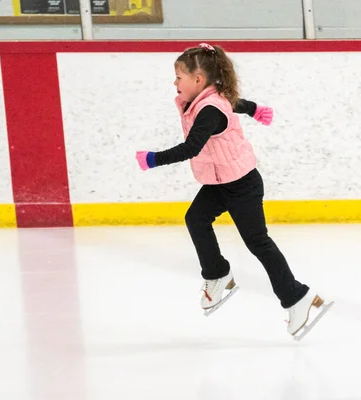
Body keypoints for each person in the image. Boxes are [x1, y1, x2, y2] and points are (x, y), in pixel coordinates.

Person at [135, 43, 331, 339]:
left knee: (257, 243)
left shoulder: (209, 110)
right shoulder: (207, 99)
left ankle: (297, 297)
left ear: (198, 80)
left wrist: (153, 159)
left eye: (179, 77)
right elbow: (234, 103)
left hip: (241, 184)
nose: (174, 83)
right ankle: (217, 274)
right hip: (220, 182)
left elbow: (192, 147)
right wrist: (254, 110)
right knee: (196, 219)